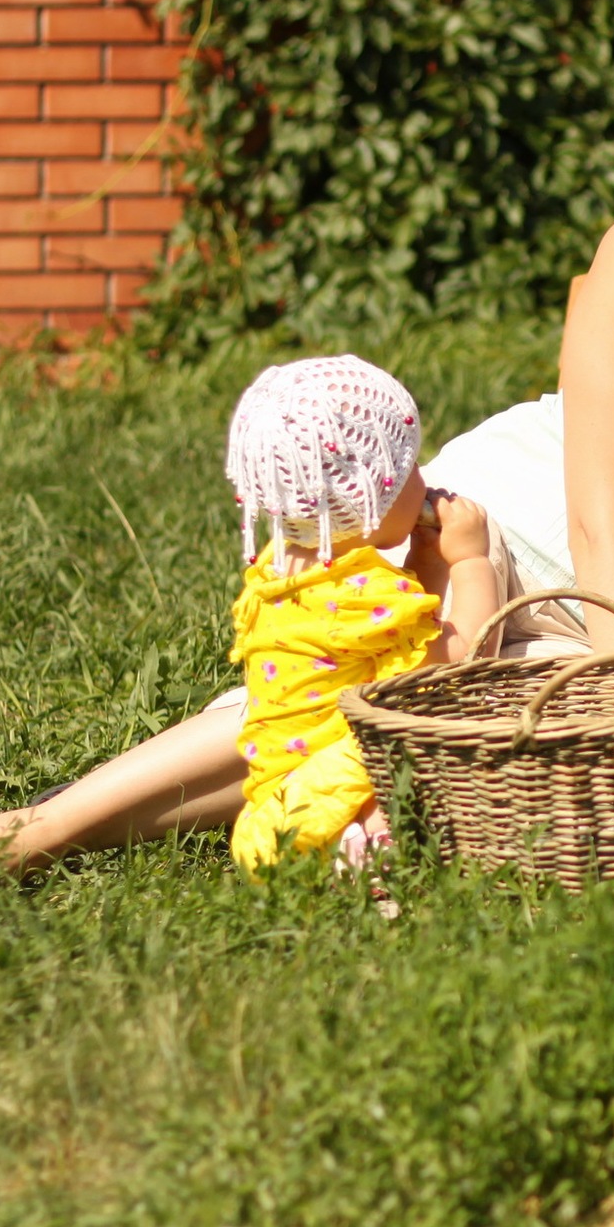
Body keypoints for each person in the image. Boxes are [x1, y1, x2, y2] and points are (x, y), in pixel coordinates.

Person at [0, 0, 614, 871]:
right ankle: (29, 834)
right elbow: (597, 525)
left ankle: (76, 831)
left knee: (430, 748)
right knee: (368, 697)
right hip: (502, 543)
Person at [217, 356, 499, 874]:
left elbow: (398, 651)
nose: (423, 479)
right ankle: (371, 863)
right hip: (341, 802)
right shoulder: (363, 594)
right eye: (410, 469)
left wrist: (428, 562)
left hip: (282, 802)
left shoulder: (278, 574)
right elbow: (460, 665)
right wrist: (471, 560)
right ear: (370, 494)